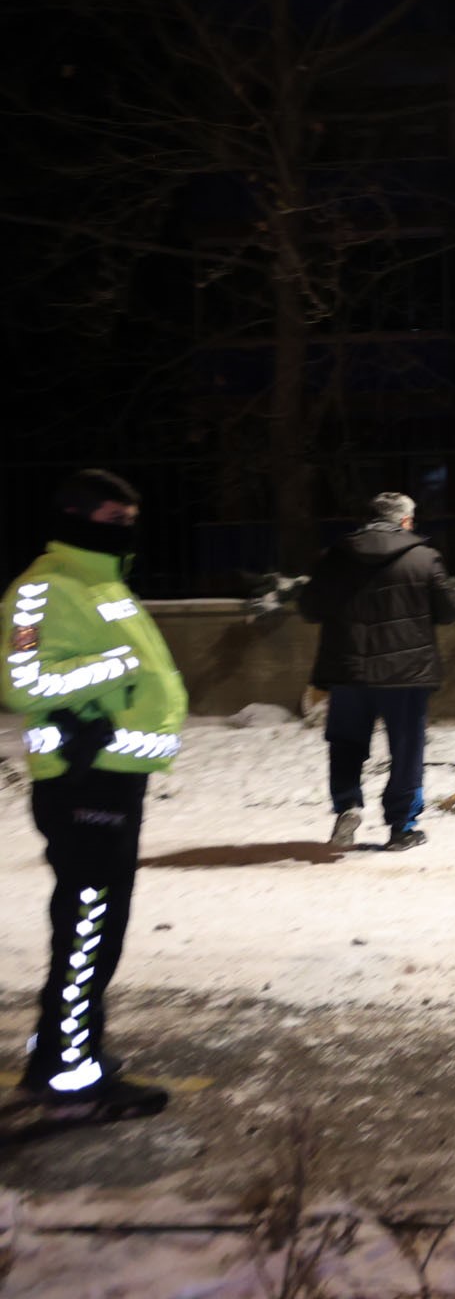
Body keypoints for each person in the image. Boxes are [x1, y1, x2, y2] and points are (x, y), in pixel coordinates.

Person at [4, 469, 186, 1121]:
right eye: (114, 517)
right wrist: (117, 667)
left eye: (131, 517)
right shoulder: (43, 587)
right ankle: (68, 1073)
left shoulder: (104, 584)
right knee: (86, 929)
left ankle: (63, 1051)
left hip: (115, 776)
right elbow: (22, 680)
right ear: (75, 513)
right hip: (83, 780)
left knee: (95, 928)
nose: (127, 527)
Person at [296, 492, 455, 851]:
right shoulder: (423, 557)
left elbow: (309, 607)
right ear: (404, 521)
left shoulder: (336, 556)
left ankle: (348, 805)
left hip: (348, 669)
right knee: (406, 748)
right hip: (406, 673)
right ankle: (402, 827)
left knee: (346, 743)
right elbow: (449, 611)